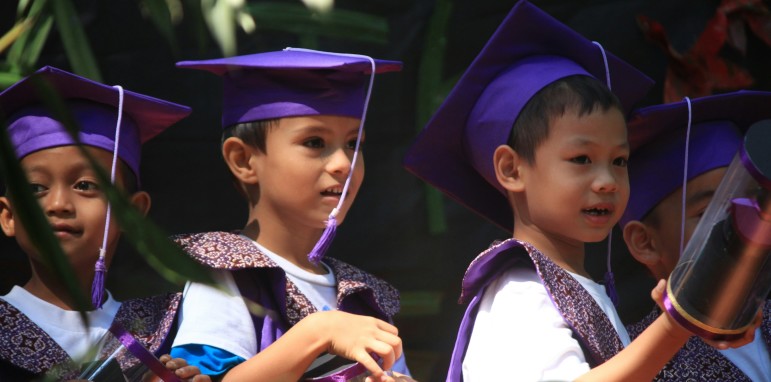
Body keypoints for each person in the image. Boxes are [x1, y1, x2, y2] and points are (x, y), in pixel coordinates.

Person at [403, 1, 756, 381]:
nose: (606, 180)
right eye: (581, 159)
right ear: (511, 168)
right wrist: (678, 324)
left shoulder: (579, 291)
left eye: (619, 161)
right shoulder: (519, 292)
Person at [169, 48, 411, 381]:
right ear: (243, 160)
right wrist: (318, 332)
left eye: (354, 144)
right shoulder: (228, 276)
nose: (344, 163)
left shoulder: (363, 295)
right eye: (314, 142)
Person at [0, 66, 208, 381]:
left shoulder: (169, 329)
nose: (57, 205)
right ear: (9, 216)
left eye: (85, 185)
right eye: (35, 189)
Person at [620, 91, 771, 381]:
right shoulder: (640, 363)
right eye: (706, 213)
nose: (739, 225)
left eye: (748, 204)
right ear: (645, 242)